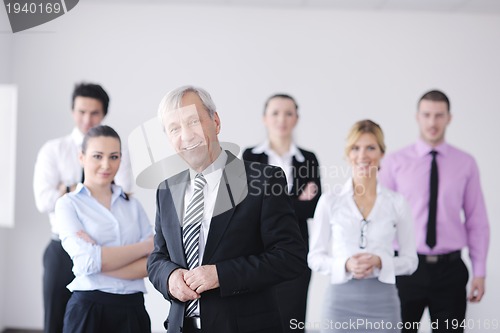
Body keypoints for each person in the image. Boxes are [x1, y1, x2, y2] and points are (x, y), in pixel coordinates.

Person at [147, 85, 307, 333]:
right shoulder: (166, 190)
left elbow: (290, 257)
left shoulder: (262, 181)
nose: (186, 135)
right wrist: (169, 278)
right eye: (175, 128)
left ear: (216, 122)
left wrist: (221, 275)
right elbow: (157, 258)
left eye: (193, 122)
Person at [379, 90, 490, 332]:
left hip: (449, 271)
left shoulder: (465, 163)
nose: (432, 122)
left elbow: (477, 220)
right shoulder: (394, 163)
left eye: (439, 115)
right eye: (427, 115)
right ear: (417, 117)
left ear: (449, 118)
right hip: (406, 268)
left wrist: (479, 272)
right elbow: (380, 218)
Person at [33, 82, 133, 333]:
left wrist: (66, 188)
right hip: (62, 251)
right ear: (71, 110)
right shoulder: (53, 150)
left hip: (105, 251)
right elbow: (44, 200)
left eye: (94, 113)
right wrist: (90, 188)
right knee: (55, 322)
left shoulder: (118, 151)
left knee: (98, 323)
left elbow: (125, 195)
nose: (87, 119)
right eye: (81, 111)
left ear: (104, 114)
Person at [308, 119, 418, 333]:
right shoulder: (330, 201)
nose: (363, 155)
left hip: (384, 306)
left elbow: (410, 261)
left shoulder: (397, 203)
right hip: (339, 306)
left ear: (382, 153)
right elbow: (314, 257)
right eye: (356, 148)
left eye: (370, 147)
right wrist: (345, 265)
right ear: (348, 154)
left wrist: (381, 262)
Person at [55, 125, 153, 333]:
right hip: (88, 309)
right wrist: (145, 246)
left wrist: (100, 259)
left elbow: (152, 264)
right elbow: (85, 261)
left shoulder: (132, 205)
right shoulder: (68, 204)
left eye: (114, 157)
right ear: (81, 157)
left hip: (132, 310)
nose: (106, 165)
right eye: (97, 156)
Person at [243, 93, 321, 333]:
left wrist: (271, 204)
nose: (282, 119)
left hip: (297, 250)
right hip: (257, 252)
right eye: (275, 112)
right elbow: (247, 207)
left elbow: (314, 206)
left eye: (288, 113)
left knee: (293, 320)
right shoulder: (250, 157)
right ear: (265, 118)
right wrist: (295, 201)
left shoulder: (307, 159)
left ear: (296, 118)